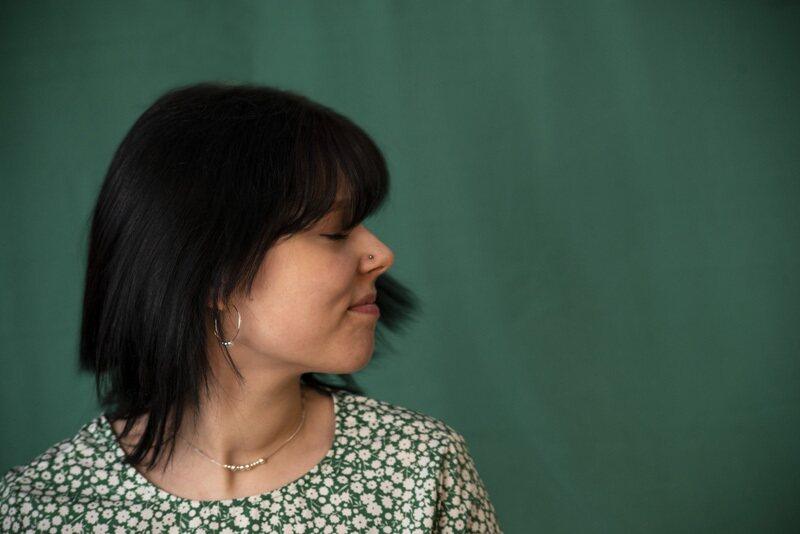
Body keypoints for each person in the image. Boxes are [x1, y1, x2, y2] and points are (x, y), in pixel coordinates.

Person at [0, 82, 502, 533]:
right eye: (336, 232)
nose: (381, 254)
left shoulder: (419, 468)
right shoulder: (39, 512)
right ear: (216, 276)